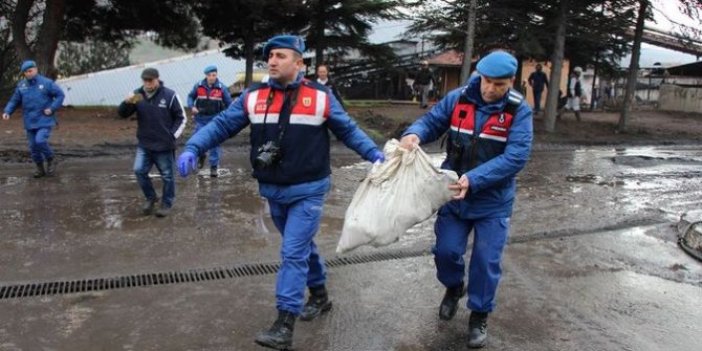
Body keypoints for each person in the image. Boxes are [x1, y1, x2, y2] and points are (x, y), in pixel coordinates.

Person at [176, 35, 384, 350]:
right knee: (300, 246)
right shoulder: (253, 97)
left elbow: (350, 131)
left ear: (299, 63)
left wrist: (376, 157)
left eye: (280, 56)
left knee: (292, 252)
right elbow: (220, 126)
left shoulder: (321, 97)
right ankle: (321, 295)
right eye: (270, 56)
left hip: (309, 190)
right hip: (273, 189)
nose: (272, 61)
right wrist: (193, 146)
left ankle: (284, 323)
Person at [399, 50, 533, 349]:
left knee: (486, 262)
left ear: (511, 81)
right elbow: (432, 122)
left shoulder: (518, 111)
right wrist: (414, 134)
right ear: (479, 76)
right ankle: (453, 286)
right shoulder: (459, 98)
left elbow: (516, 157)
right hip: (453, 196)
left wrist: (474, 180)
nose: (490, 89)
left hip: (492, 202)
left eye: (499, 84)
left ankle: (479, 314)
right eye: (487, 81)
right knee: (445, 252)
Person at [118, 68, 186, 217]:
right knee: (139, 171)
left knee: (167, 176)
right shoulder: (138, 95)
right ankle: (151, 197)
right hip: (145, 144)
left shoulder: (170, 95)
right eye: (145, 81)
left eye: (151, 80)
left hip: (164, 145)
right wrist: (126, 102)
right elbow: (122, 114)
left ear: (157, 79)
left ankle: (166, 203)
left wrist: (172, 136)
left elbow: (181, 118)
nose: (148, 84)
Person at [2, 60, 65, 178]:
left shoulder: (47, 83)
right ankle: (40, 169)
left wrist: (52, 108)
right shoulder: (22, 85)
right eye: (26, 72)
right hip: (29, 121)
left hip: (44, 119)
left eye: (30, 70)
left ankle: (51, 159)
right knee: (33, 147)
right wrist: (7, 111)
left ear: (35, 69)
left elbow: (60, 95)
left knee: (40, 141)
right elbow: (14, 100)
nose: (28, 73)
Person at [187, 65, 233, 177]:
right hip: (201, 120)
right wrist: (191, 106)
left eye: (214, 75)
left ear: (216, 75)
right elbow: (190, 97)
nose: (212, 77)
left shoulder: (222, 88)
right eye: (209, 75)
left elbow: (229, 104)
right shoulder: (198, 86)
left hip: (215, 121)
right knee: (199, 141)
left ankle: (213, 167)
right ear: (206, 76)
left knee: (214, 144)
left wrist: (225, 116)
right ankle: (201, 156)